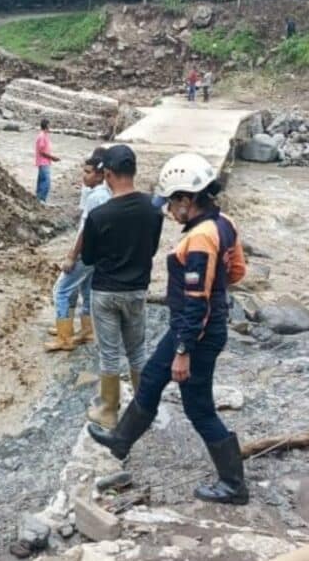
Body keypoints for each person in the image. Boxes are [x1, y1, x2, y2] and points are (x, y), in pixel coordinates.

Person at [89, 153, 249, 505]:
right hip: (193, 326)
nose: (168, 211)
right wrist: (217, 291)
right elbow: (237, 272)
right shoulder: (224, 223)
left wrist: (184, 351)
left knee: (199, 408)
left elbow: (195, 302)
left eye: (172, 202)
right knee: (150, 380)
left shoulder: (200, 239)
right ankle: (121, 440)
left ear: (187, 199)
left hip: (195, 334)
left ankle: (234, 484)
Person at [80, 145, 163, 429]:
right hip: (137, 290)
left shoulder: (100, 215)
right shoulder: (153, 209)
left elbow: (88, 258)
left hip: (105, 291)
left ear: (109, 174)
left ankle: (108, 410)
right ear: (134, 171)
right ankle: (143, 409)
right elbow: (151, 249)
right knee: (137, 351)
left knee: (109, 353)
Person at [45, 148, 111, 352]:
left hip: (86, 252)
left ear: (100, 175)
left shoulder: (95, 197)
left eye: (88, 172)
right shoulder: (106, 194)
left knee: (62, 290)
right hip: (98, 253)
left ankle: (64, 337)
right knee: (87, 289)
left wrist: (72, 255)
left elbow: (85, 229)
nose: (84, 176)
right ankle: (87, 329)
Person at [35, 119, 60, 203]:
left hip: (44, 162)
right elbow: (41, 151)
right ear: (47, 126)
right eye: (49, 125)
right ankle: (41, 199)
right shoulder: (42, 136)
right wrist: (53, 158)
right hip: (43, 162)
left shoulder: (44, 135)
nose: (50, 127)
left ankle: (38, 199)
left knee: (41, 180)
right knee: (46, 182)